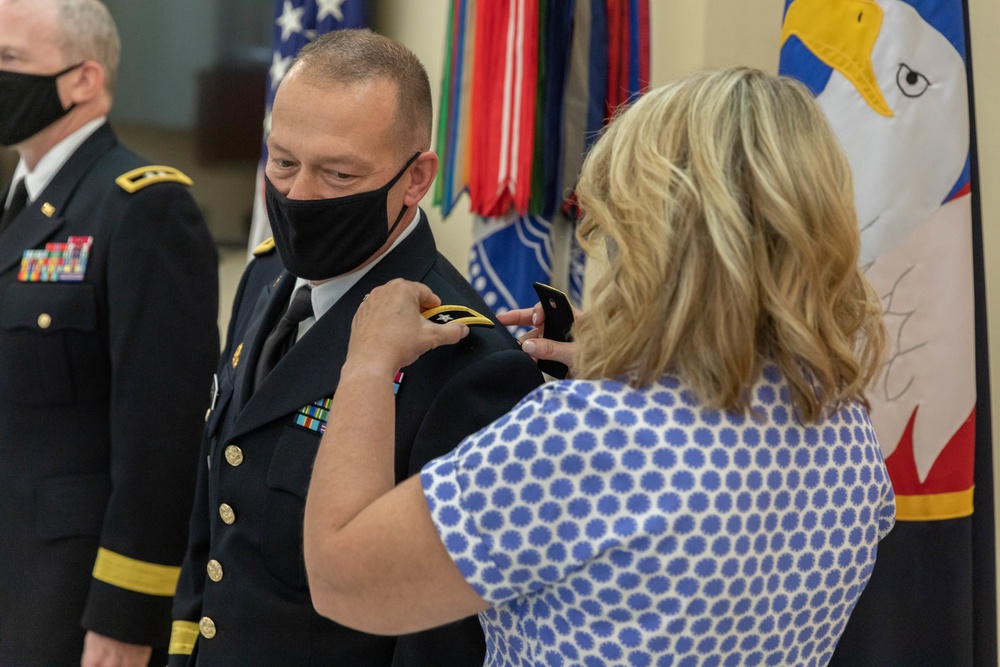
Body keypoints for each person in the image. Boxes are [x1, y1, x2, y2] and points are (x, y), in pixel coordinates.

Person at [302, 67, 896, 667]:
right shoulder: (848, 429)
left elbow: (342, 578)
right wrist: (646, 366)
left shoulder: (585, 438)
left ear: (658, 237)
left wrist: (368, 363)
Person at [167, 29, 543, 667]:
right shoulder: (268, 276)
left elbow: (436, 639)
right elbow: (216, 522)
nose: (299, 196)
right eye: (282, 162)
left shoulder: (466, 361)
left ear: (416, 179)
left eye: (338, 174)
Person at [0, 0, 220, 665]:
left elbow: (162, 436)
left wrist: (127, 615)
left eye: (9, 60)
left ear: (82, 80)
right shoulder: (21, 204)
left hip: (70, 599)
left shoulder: (144, 206)